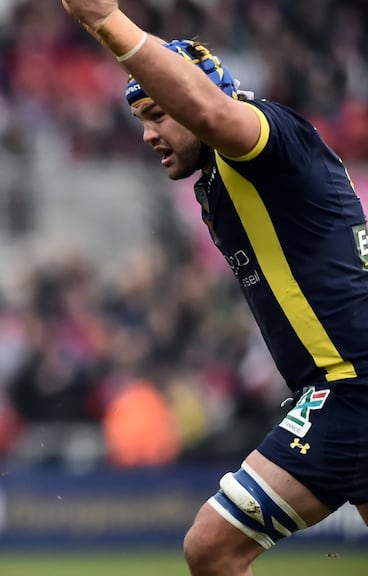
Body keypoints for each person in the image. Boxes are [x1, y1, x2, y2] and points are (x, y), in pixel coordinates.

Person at [60, 1, 368, 575]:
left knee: (213, 546)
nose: (149, 134)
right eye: (141, 119)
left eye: (158, 113)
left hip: (352, 384)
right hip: (341, 385)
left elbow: (207, 110)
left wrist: (107, 21)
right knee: (213, 548)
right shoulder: (222, 178)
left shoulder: (262, 136)